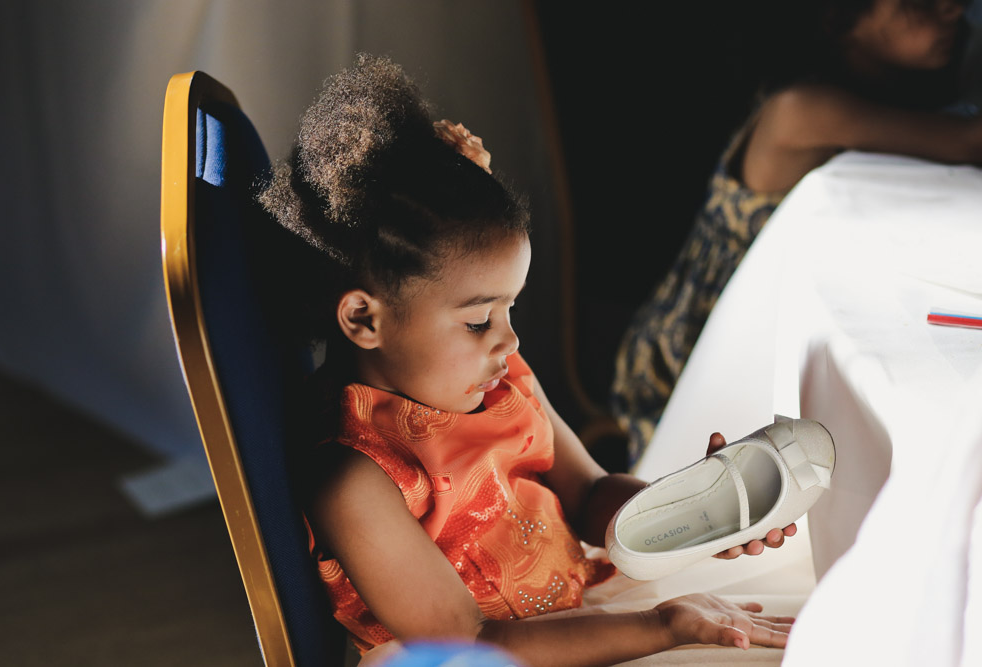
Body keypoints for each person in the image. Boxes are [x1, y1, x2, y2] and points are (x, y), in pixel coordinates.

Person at [259, 54, 795, 665]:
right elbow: (466, 645)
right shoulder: (355, 478)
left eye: (510, 310)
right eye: (479, 320)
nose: (509, 343)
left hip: (583, 608)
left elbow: (589, 492)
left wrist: (692, 514)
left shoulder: (498, 379)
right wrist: (664, 627)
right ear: (364, 319)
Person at [612, 0, 982, 465]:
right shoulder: (800, 107)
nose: (952, 10)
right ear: (841, 16)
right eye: (918, 3)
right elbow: (969, 142)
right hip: (689, 354)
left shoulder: (882, 89)